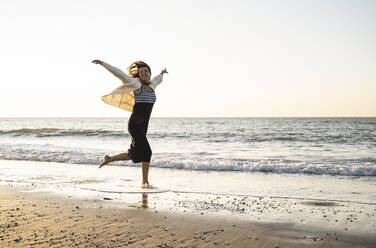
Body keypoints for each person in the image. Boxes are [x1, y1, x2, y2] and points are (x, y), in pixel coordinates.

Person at [92, 59, 168, 188]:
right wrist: (103, 63)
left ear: (150, 73)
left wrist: (162, 73)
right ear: (139, 74)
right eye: (141, 72)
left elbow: (158, 79)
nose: (144, 73)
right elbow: (118, 73)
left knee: (133, 154)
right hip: (134, 125)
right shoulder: (135, 84)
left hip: (143, 126)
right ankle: (145, 182)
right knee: (147, 152)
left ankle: (109, 159)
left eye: (146, 71)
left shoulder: (152, 85)